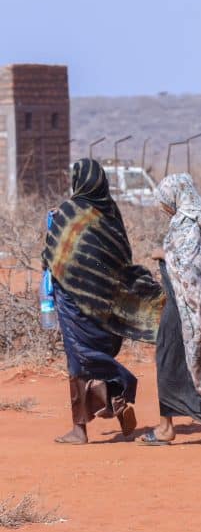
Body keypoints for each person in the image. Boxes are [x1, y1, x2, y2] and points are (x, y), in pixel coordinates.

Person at [43, 158, 164, 444]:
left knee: (80, 360)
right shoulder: (111, 212)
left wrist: (56, 225)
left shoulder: (69, 212)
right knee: (92, 355)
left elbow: (52, 255)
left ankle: (82, 426)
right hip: (106, 301)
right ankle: (116, 404)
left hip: (74, 299)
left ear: (77, 181)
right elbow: (120, 256)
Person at [135, 174, 201, 446]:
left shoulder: (185, 222)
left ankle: (166, 428)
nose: (165, 209)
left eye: (165, 204)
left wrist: (162, 254)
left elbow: (184, 266)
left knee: (169, 360)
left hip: (184, 308)